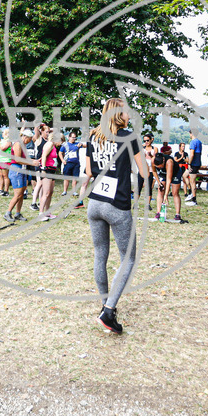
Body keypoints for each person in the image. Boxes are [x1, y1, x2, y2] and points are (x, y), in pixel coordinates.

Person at [86, 98, 148, 334]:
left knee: (100, 253)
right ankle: (109, 311)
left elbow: (89, 171)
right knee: (128, 259)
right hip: (117, 204)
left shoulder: (93, 136)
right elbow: (144, 171)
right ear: (119, 115)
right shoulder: (129, 137)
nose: (130, 115)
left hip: (95, 203)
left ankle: (104, 303)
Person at [5, 130, 38, 222]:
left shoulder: (23, 145)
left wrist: (34, 161)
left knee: (22, 193)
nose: (30, 141)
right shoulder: (18, 144)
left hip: (22, 170)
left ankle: (18, 213)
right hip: (17, 170)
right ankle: (8, 212)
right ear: (25, 137)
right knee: (18, 194)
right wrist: (31, 162)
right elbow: (17, 159)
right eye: (29, 139)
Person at [153, 144, 186, 223]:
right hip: (163, 174)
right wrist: (158, 182)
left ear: (163, 162)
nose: (159, 168)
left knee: (175, 192)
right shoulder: (153, 160)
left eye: (160, 166)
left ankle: (177, 214)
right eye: (158, 167)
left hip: (175, 172)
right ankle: (158, 212)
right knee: (160, 190)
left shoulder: (169, 162)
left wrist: (166, 195)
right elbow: (154, 171)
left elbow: (169, 179)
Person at [60, 131, 85, 198]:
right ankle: (65, 191)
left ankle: (74, 191)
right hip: (68, 162)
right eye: (72, 137)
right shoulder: (65, 144)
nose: (74, 139)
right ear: (69, 137)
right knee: (66, 178)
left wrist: (81, 144)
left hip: (76, 163)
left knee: (75, 178)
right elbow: (60, 153)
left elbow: (86, 146)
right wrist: (62, 160)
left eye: (75, 137)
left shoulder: (77, 144)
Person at [186, 129, 203, 206]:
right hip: (198, 162)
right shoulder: (199, 142)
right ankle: (190, 193)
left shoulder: (193, 142)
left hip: (194, 164)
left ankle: (194, 199)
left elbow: (192, 154)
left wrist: (189, 163)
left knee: (192, 182)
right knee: (185, 175)